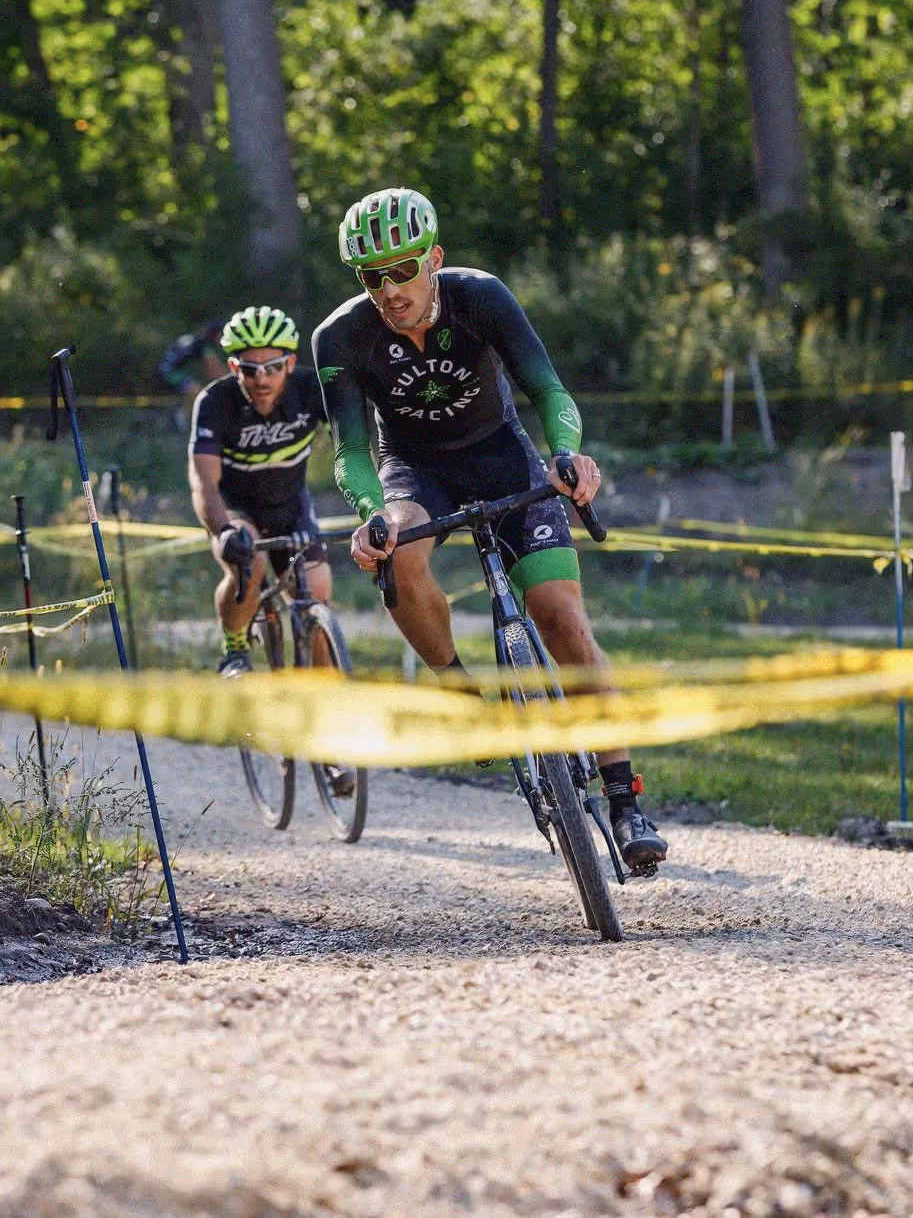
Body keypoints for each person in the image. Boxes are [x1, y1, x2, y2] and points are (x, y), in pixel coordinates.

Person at [312, 187, 668, 871]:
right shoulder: (342, 337)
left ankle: (626, 800)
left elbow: (549, 392)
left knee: (563, 618)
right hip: (415, 472)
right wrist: (372, 517)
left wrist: (570, 456)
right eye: (371, 276)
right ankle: (457, 685)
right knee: (402, 552)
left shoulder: (482, 297)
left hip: (501, 455)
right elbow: (353, 452)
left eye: (403, 269)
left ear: (435, 258)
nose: (389, 290)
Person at [187, 305, 334, 679]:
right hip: (236, 510)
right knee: (246, 566)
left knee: (317, 594)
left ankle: (329, 698)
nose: (262, 379)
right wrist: (222, 529)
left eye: (272, 367)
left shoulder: (310, 390)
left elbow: (354, 445)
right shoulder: (215, 402)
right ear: (234, 368)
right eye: (250, 370)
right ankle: (234, 648)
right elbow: (204, 482)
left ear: (290, 363)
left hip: (292, 507)